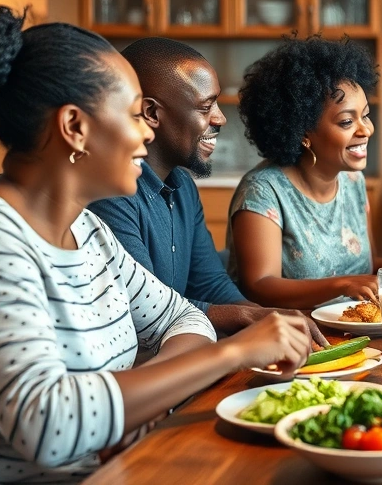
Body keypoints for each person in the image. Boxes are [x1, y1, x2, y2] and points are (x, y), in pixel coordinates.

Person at [0, 7, 311, 483]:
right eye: (136, 114)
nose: (148, 132)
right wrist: (232, 354)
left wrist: (137, 401)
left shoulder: (91, 234)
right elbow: (48, 424)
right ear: (75, 126)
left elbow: (185, 317)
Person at [88, 38, 325, 340]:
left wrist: (266, 319)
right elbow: (147, 312)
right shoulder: (112, 195)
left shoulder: (183, 185)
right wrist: (248, 316)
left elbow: (210, 284)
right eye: (205, 107)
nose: (221, 117)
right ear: (151, 113)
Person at [226, 36, 382, 309]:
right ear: (303, 133)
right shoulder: (263, 192)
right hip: (294, 337)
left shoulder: (353, 180)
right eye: (347, 121)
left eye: (365, 115)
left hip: (353, 328)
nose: (366, 130)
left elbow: (363, 269)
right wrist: (343, 285)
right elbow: (259, 285)